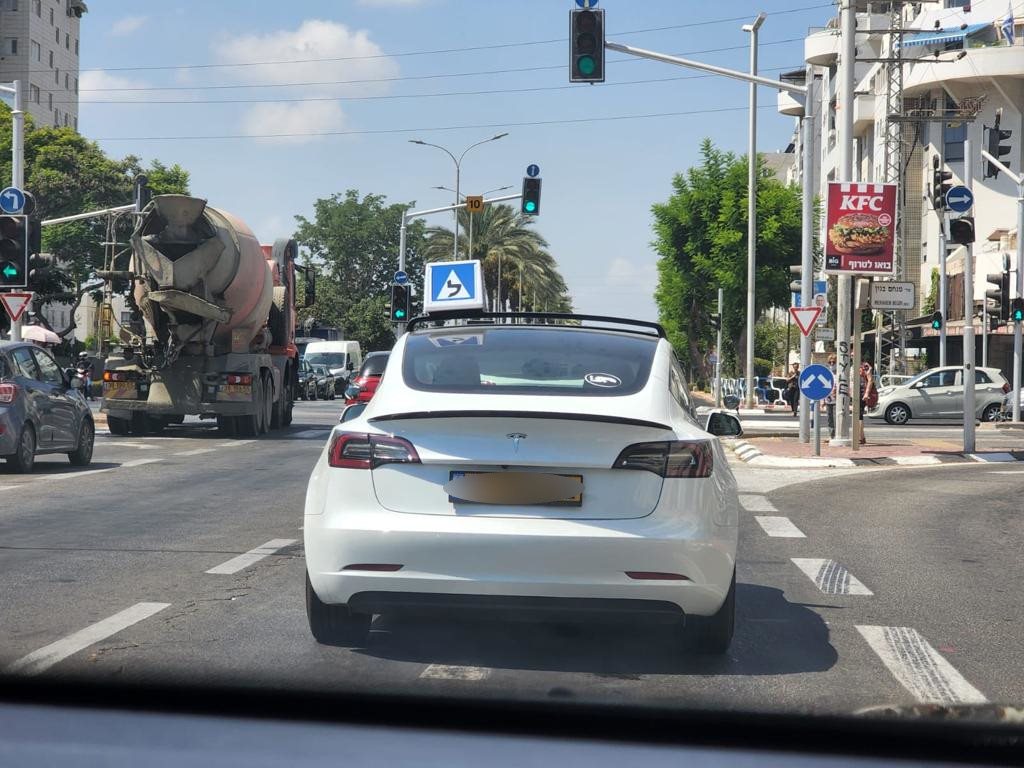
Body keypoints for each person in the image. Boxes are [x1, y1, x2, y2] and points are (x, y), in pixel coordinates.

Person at [859, 362, 878, 445]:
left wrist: (866, 393)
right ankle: (861, 437)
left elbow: (870, 380)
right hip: (856, 393)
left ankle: (860, 437)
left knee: (858, 415)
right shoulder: (852, 366)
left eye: (853, 355)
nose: (851, 357)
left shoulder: (865, 366)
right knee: (858, 415)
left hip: (862, 393)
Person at [825, 354, 837, 438]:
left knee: (836, 417)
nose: (832, 364)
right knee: (829, 418)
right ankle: (831, 435)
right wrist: (822, 400)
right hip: (828, 398)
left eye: (834, 362)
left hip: (837, 398)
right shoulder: (827, 372)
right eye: (830, 362)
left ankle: (837, 434)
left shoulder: (840, 372)